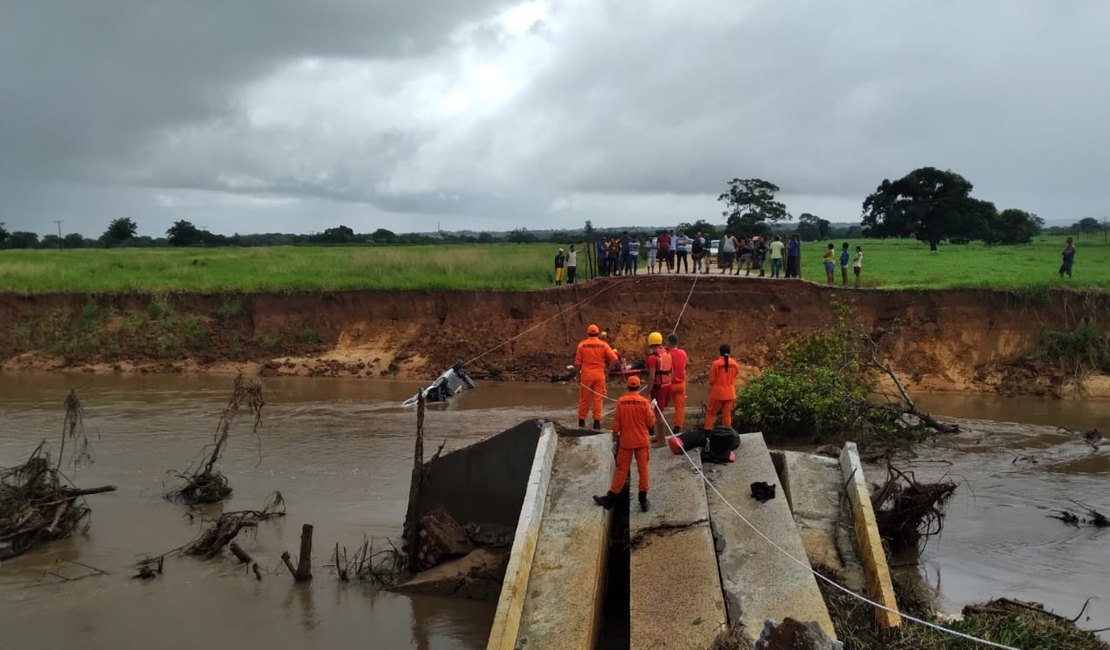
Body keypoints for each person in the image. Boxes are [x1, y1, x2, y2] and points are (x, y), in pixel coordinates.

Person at [593, 375, 655, 513]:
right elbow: (650, 423)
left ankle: (610, 499)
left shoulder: (621, 402)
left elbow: (616, 424)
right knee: (643, 470)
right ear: (639, 387)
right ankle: (643, 500)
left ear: (627, 386)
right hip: (642, 441)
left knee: (622, 470)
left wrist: (615, 439)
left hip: (626, 441)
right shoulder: (644, 402)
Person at [575, 324, 618, 430]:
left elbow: (577, 364)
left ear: (588, 333)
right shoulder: (603, 345)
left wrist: (578, 376)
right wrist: (608, 371)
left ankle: (581, 423)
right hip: (599, 375)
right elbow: (614, 359)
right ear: (598, 333)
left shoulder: (582, 345)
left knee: (584, 399)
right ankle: (596, 424)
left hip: (586, 376)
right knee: (598, 399)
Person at [645, 331, 672, 447]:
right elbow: (672, 372)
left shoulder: (653, 358)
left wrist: (648, 392)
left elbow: (651, 376)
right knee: (658, 413)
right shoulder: (667, 354)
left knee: (659, 414)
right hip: (667, 386)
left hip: (658, 388)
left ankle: (662, 441)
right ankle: (658, 436)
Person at [705, 343, 740, 432]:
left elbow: (711, 380)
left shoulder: (716, 364)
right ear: (730, 352)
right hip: (730, 393)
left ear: (720, 352)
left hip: (717, 393)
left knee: (711, 413)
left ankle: (708, 433)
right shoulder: (734, 363)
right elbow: (735, 375)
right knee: (727, 414)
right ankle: (727, 433)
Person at [664, 334, 688, 434]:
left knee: (658, 405)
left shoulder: (667, 354)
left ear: (669, 343)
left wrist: (666, 349)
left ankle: (652, 426)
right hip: (681, 384)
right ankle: (677, 428)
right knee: (680, 408)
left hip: (670, 384)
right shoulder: (683, 353)